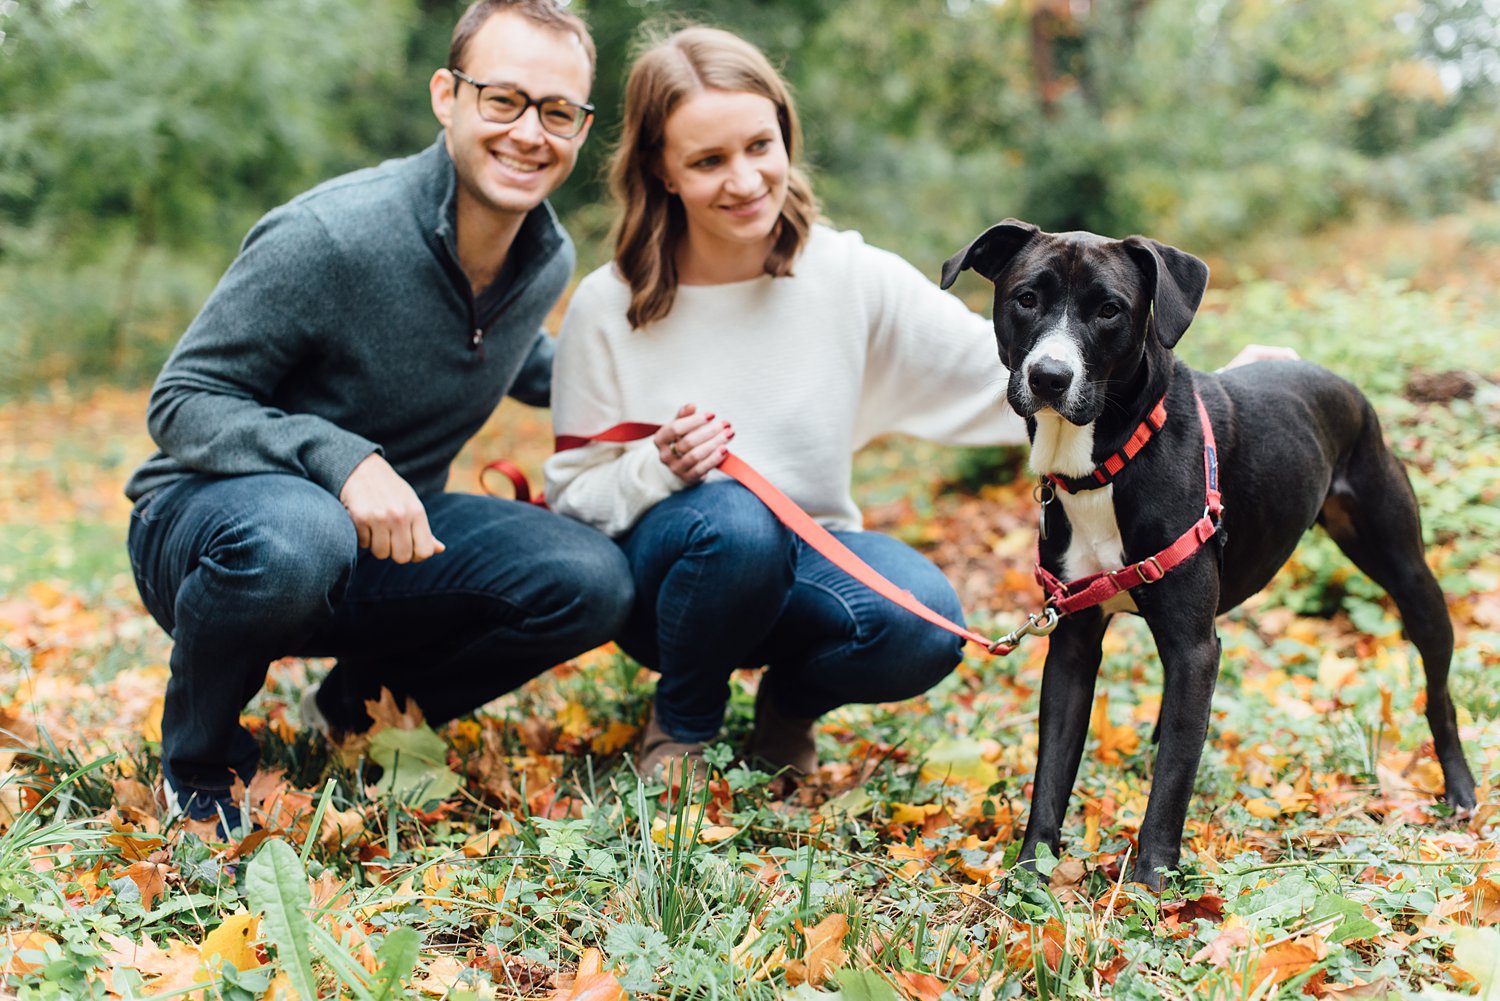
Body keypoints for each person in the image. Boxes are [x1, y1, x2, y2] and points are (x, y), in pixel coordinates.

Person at [124, 0, 633, 833]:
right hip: (214, 526)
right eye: (503, 100)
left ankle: (357, 708)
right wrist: (343, 459)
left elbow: (521, 358)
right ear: (448, 96)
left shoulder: (546, 257)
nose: (529, 132)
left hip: (389, 541)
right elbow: (182, 402)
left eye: (557, 112)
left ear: (581, 126)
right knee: (301, 533)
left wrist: (661, 392)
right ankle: (198, 758)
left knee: (592, 578)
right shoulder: (330, 235)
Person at [542, 26, 1031, 786]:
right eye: (708, 161)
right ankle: (682, 726)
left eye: (759, 146)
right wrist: (658, 467)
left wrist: (1201, 386)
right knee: (737, 522)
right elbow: (572, 498)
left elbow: (1007, 371)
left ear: (785, 137)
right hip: (670, 581)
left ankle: (788, 709)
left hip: (810, 557)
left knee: (923, 623)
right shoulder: (609, 307)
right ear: (662, 171)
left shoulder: (845, 273)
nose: (744, 180)